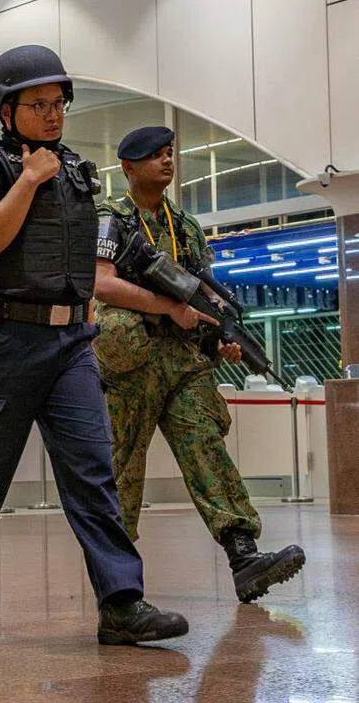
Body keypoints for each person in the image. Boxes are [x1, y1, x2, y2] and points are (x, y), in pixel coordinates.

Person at [0, 45, 189, 646]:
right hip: (5, 341)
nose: (52, 115)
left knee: (93, 474)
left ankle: (121, 603)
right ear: (6, 109)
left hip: (72, 341)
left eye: (59, 104)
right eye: (39, 104)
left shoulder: (75, 170)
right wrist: (26, 179)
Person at [92, 126, 306, 602]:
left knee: (205, 446)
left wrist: (218, 340)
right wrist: (167, 308)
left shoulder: (184, 225)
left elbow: (201, 294)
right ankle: (117, 586)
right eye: (154, 155)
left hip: (182, 359)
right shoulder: (111, 216)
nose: (167, 161)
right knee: (122, 466)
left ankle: (244, 555)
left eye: (170, 154)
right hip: (131, 358)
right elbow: (101, 284)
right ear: (128, 167)